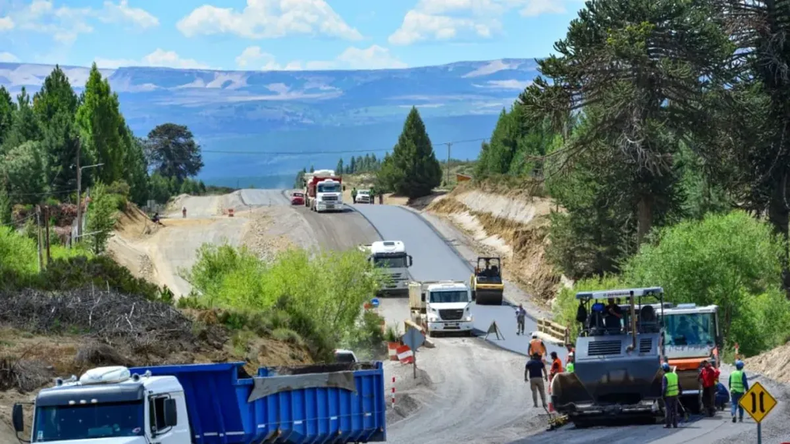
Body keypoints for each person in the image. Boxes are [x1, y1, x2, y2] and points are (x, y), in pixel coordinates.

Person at [662, 363, 683, 429]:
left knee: (668, 410)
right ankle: (675, 424)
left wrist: (663, 395)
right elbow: (679, 384)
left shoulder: (665, 376)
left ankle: (668, 424)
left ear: (663, 370)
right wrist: (680, 392)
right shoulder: (675, 375)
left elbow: (664, 388)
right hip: (675, 394)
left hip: (668, 395)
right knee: (675, 410)